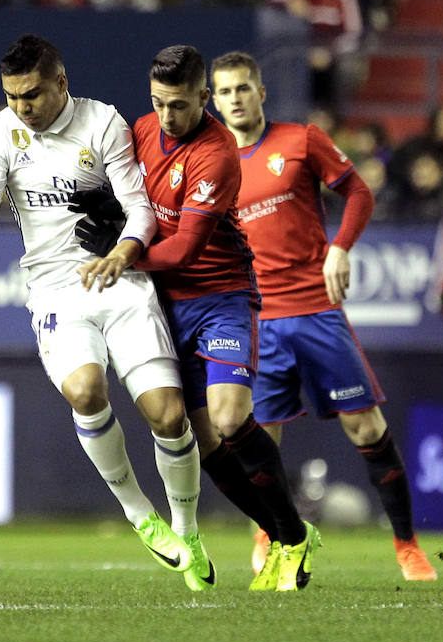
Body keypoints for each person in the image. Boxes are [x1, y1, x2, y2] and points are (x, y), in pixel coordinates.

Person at [0, 34, 215, 592]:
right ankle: (138, 515)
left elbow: (139, 210)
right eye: (10, 96)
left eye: (30, 94)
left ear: (61, 82)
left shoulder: (103, 123)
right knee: (84, 392)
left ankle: (187, 529)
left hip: (122, 280)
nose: (21, 108)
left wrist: (123, 254)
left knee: (168, 417)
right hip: (56, 290)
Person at [80, 44, 320, 593]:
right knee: (204, 440)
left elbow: (186, 248)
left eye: (180, 105)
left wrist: (122, 253)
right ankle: (288, 533)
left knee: (231, 418)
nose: (168, 117)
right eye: (159, 103)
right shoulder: (139, 131)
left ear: (204, 99)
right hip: (165, 304)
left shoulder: (216, 153)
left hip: (220, 295)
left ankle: (291, 538)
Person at [208, 49, 437, 581]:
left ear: (260, 92)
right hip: (257, 323)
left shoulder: (300, 140)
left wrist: (340, 246)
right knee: (256, 440)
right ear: (213, 102)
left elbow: (357, 191)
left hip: (315, 309)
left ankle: (407, 546)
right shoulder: (211, 166)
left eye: (244, 87)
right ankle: (268, 539)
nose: (236, 98)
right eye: (226, 91)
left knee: (366, 426)